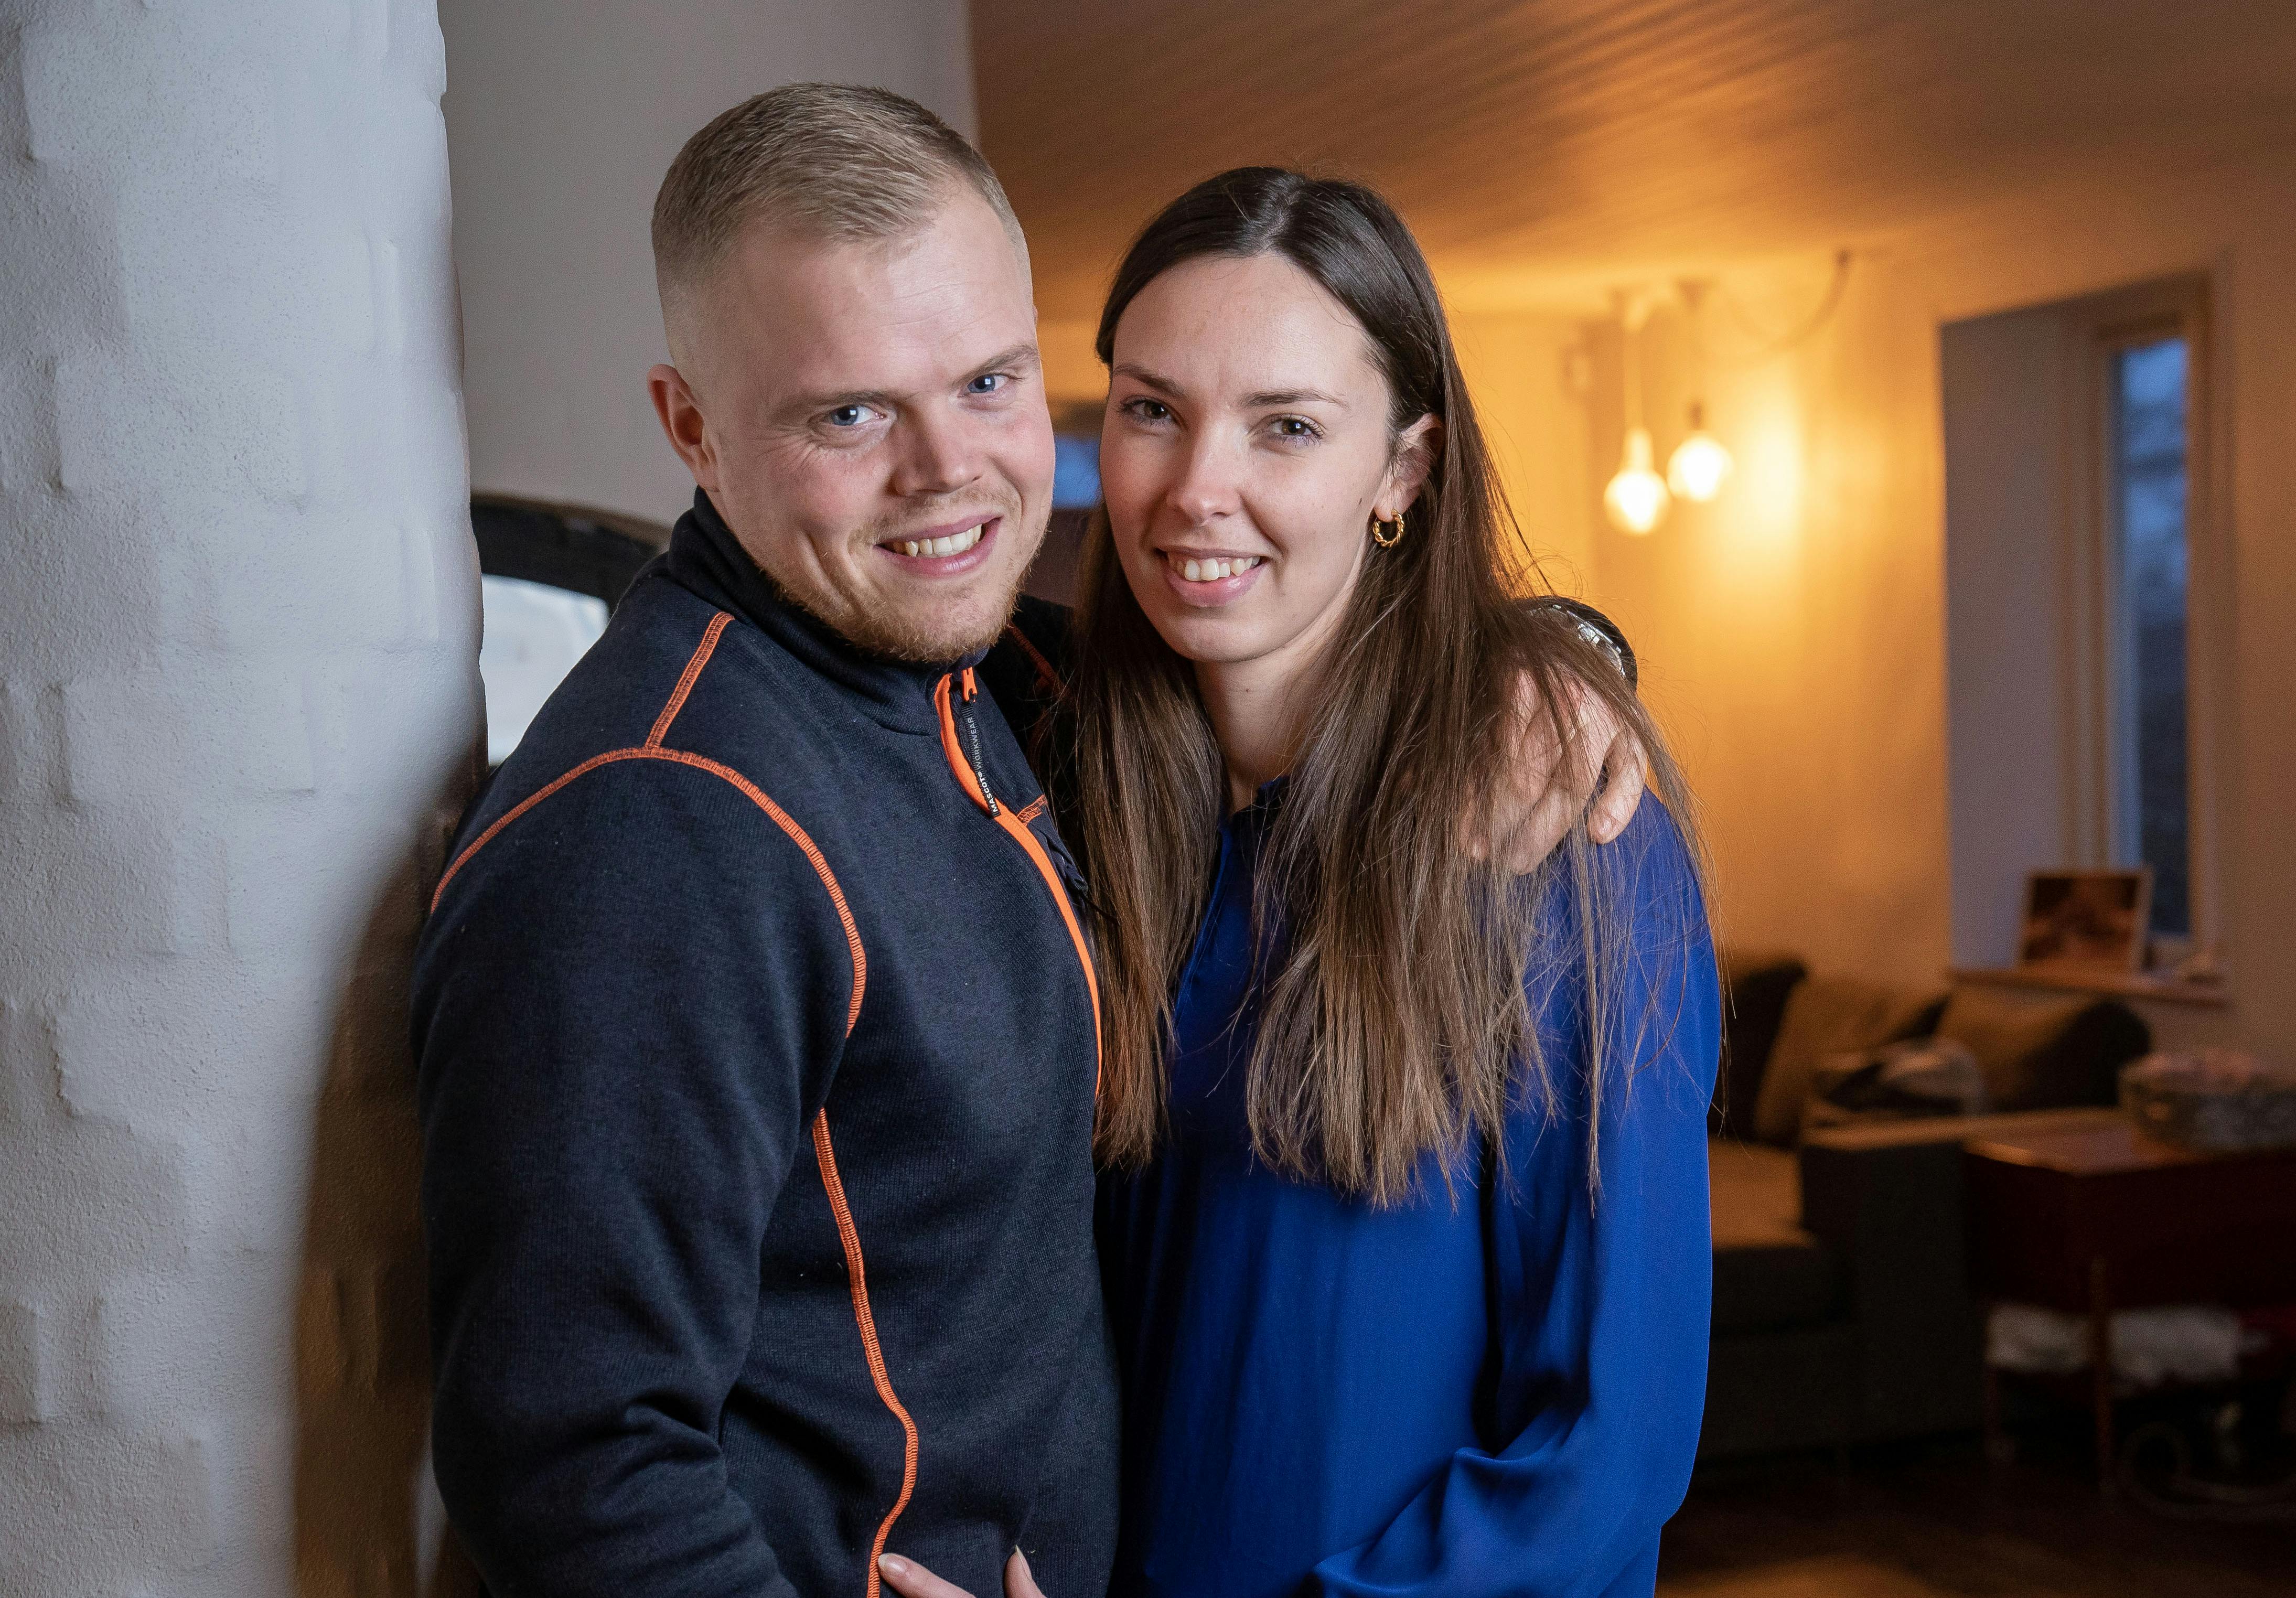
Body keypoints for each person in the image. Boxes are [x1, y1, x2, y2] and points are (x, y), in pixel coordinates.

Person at [411, 93, 1641, 1598]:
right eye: (849, 413)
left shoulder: (1000, 681)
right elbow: (566, 1451)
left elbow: (1291, 644)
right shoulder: (657, 825)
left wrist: (1552, 656)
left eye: (989, 382)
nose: (949, 472)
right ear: (691, 427)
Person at [884, 168, 1718, 1598]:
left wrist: (1558, 657)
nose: (1198, 489)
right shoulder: (1070, 779)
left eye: (1286, 427)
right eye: (1152, 410)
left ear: (1403, 468)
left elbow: (1605, 1450)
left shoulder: (1556, 847)